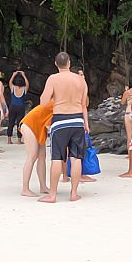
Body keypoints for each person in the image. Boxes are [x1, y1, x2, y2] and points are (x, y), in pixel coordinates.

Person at [39, 52, 89, 203]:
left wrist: (56, 98)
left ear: (56, 64)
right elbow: (84, 103)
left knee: (56, 158)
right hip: (78, 120)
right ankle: (73, 193)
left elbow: (43, 102)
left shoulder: (53, 79)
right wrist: (86, 123)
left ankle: (52, 195)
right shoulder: (80, 80)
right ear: (69, 63)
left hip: (60, 121)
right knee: (76, 158)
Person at [19, 102, 54, 197]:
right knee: (32, 156)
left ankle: (43, 186)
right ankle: (25, 189)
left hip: (39, 128)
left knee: (42, 157)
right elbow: (49, 125)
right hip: (29, 125)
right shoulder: (56, 106)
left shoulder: (56, 104)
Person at [6, 70, 30, 144]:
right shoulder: (24, 89)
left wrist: (13, 75)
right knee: (20, 123)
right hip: (20, 107)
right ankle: (19, 140)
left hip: (12, 107)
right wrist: (24, 75)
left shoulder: (13, 88)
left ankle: (9, 140)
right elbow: (27, 84)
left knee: (11, 123)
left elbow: (10, 82)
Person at [121, 78, 132, 149]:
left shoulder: (128, 92)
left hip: (129, 113)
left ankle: (130, 155)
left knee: (129, 136)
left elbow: (122, 102)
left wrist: (126, 91)